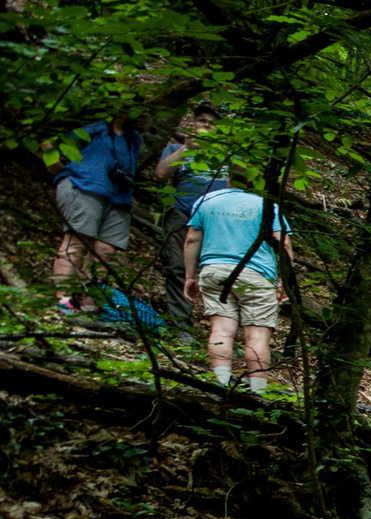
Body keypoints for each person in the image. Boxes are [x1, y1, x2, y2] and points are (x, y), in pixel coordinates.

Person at [183, 181, 296, 394]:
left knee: (221, 330)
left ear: (229, 177)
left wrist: (191, 276)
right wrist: (284, 281)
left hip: (214, 270)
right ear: (254, 178)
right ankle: (258, 392)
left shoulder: (207, 200)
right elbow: (284, 243)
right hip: (256, 274)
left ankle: (220, 385)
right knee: (256, 336)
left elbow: (192, 239)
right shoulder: (267, 205)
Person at [50, 118, 141, 319]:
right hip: (85, 185)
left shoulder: (133, 139)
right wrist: (57, 168)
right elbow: (52, 144)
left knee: (106, 249)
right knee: (77, 242)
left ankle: (89, 304)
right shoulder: (95, 127)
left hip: (119, 196)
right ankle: (63, 300)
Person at [152, 112, 229, 301]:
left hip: (218, 218)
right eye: (202, 120)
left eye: (212, 123)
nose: (206, 125)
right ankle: (181, 324)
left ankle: (215, 317)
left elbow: (245, 182)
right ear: (194, 124)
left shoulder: (227, 154)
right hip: (183, 213)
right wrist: (186, 148)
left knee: (217, 269)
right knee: (178, 266)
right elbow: (161, 173)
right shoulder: (177, 148)